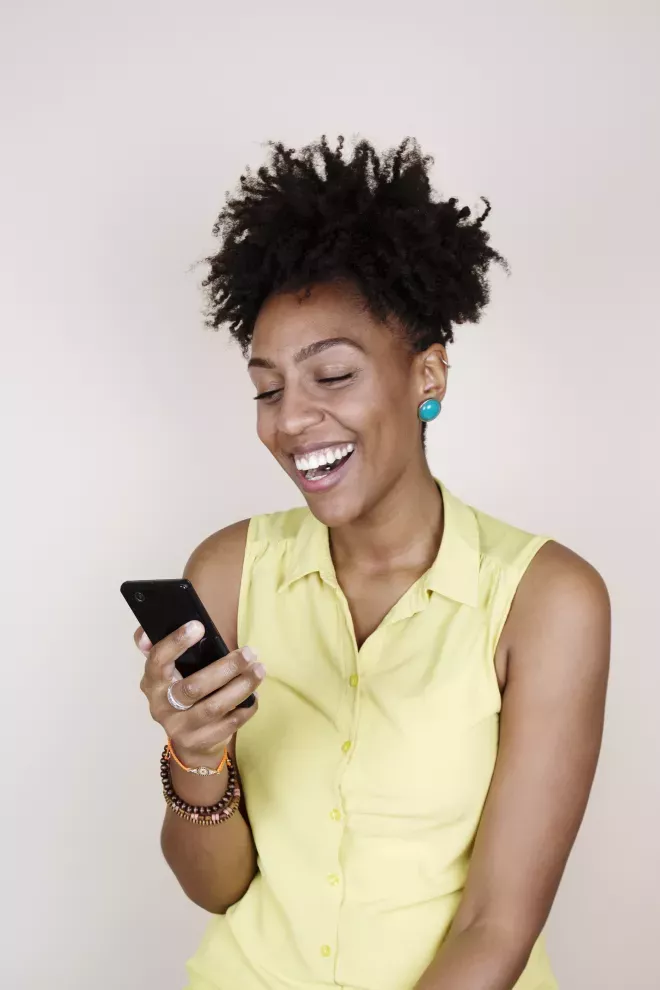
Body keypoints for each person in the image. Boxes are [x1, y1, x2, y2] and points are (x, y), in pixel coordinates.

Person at [136, 137, 611, 990]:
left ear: (426, 372)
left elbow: (495, 925)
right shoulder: (227, 570)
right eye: (269, 388)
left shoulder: (546, 600)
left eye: (334, 376)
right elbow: (214, 887)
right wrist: (193, 753)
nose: (291, 421)